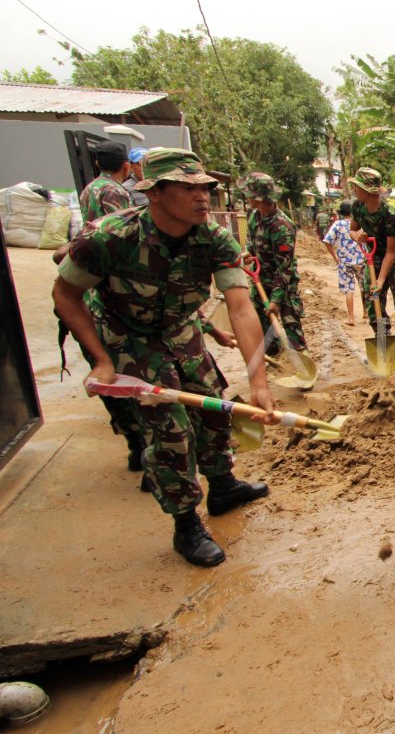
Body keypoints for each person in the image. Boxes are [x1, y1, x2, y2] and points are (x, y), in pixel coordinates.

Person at [52, 148, 277, 568]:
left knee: (215, 408)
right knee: (170, 428)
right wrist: (101, 359)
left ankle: (223, 485)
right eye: (187, 187)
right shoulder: (110, 237)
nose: (201, 196)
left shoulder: (214, 238)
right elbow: (65, 294)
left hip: (180, 327)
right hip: (128, 334)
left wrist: (258, 382)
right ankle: (185, 523)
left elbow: (242, 308)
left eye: (205, 187)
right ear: (154, 192)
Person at [347, 167, 395, 366]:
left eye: (357, 186)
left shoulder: (391, 215)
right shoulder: (357, 207)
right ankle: (382, 346)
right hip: (373, 259)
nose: (354, 190)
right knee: (374, 305)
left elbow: (391, 252)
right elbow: (353, 230)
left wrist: (381, 280)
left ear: (368, 190)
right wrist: (357, 236)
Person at [241, 173, 307, 358]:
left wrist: (276, 300)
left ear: (258, 198)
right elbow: (251, 240)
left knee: (290, 323)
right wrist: (248, 252)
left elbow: (284, 268)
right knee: (263, 325)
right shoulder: (253, 215)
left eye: (249, 195)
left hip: (283, 285)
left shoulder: (282, 226)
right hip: (260, 280)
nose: (247, 198)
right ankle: (279, 359)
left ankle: (303, 367)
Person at [323, 199, 365, 326]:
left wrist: (336, 257)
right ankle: (366, 313)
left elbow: (327, 241)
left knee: (349, 290)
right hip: (361, 259)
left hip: (345, 261)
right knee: (364, 287)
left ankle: (351, 318)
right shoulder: (360, 223)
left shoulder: (338, 224)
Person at [79, 140, 132, 221]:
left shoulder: (89, 188)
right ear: (126, 166)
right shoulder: (114, 190)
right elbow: (120, 228)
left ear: (97, 164)